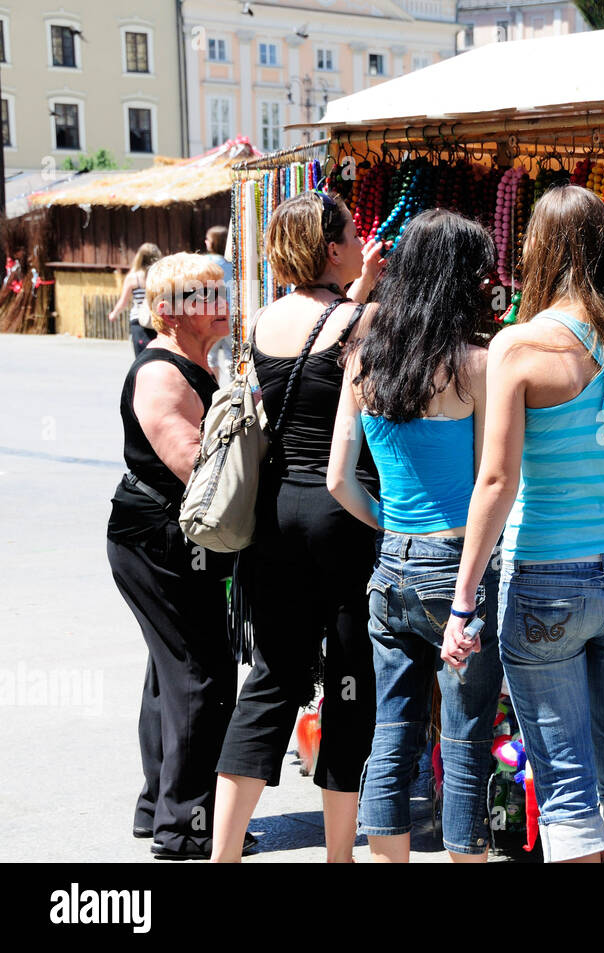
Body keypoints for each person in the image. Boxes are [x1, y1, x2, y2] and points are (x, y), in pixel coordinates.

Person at [442, 185, 604, 863]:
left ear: (536, 251)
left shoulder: (518, 346)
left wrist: (463, 601)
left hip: (547, 574)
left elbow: (497, 481)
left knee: (567, 786)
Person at [211, 190, 384, 863]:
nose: (359, 237)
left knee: (271, 681)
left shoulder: (262, 321)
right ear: (332, 247)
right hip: (340, 515)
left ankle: (223, 853)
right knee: (348, 681)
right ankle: (340, 855)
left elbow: (313, 355)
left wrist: (358, 288)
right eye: (350, 232)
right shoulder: (362, 322)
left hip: (275, 514)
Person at [327, 209, 502, 862]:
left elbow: (338, 479)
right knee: (461, 738)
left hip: (390, 566)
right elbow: (492, 482)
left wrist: (388, 524)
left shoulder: (364, 354)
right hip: (458, 567)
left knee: (392, 730)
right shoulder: (474, 364)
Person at [106, 253, 244, 859]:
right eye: (205, 295)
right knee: (200, 674)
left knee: (171, 672)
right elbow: (197, 469)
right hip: (158, 540)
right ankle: (185, 826)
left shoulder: (191, 362)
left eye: (219, 291)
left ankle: (157, 805)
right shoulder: (161, 375)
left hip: (161, 536)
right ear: (169, 312)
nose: (221, 302)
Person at [109, 243, 163, 355]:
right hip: (158, 320)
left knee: (141, 357)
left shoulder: (133, 278)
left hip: (139, 320)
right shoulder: (160, 276)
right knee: (157, 356)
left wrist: (114, 313)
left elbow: (123, 301)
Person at [204, 225, 235, 387]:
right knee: (231, 353)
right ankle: (233, 390)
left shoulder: (205, 263)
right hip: (231, 310)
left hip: (211, 311)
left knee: (211, 354)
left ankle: (213, 390)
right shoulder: (233, 264)